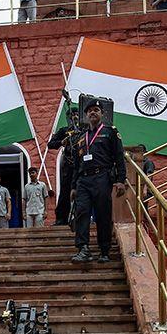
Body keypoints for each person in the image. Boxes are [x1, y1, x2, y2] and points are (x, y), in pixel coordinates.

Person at [70, 100, 126, 264]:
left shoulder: (110, 133)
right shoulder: (81, 138)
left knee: (103, 214)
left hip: (102, 177)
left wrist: (121, 180)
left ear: (102, 114)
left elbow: (119, 157)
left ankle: (104, 251)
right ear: (86, 115)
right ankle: (83, 249)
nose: (93, 113)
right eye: (90, 111)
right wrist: (73, 186)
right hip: (83, 180)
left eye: (96, 110)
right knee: (81, 213)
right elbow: (76, 164)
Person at [47, 106, 80, 226]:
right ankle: (61, 219)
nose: (74, 117)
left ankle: (81, 218)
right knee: (65, 192)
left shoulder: (84, 130)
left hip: (82, 165)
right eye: (72, 115)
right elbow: (50, 144)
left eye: (76, 114)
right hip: (69, 165)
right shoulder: (64, 130)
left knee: (82, 191)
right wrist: (62, 142)